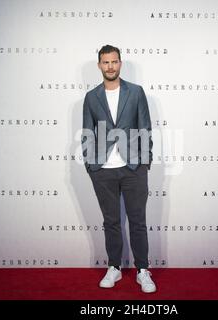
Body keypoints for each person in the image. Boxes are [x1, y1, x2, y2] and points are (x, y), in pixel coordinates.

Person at [82, 45, 156, 293]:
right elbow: (86, 133)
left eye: (114, 62)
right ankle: (113, 267)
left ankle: (143, 270)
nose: (110, 66)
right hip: (103, 169)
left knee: (138, 222)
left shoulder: (135, 92)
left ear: (120, 64)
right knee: (111, 222)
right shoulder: (91, 97)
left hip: (133, 167)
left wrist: (145, 161)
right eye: (105, 62)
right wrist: (91, 164)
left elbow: (145, 127)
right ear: (99, 65)